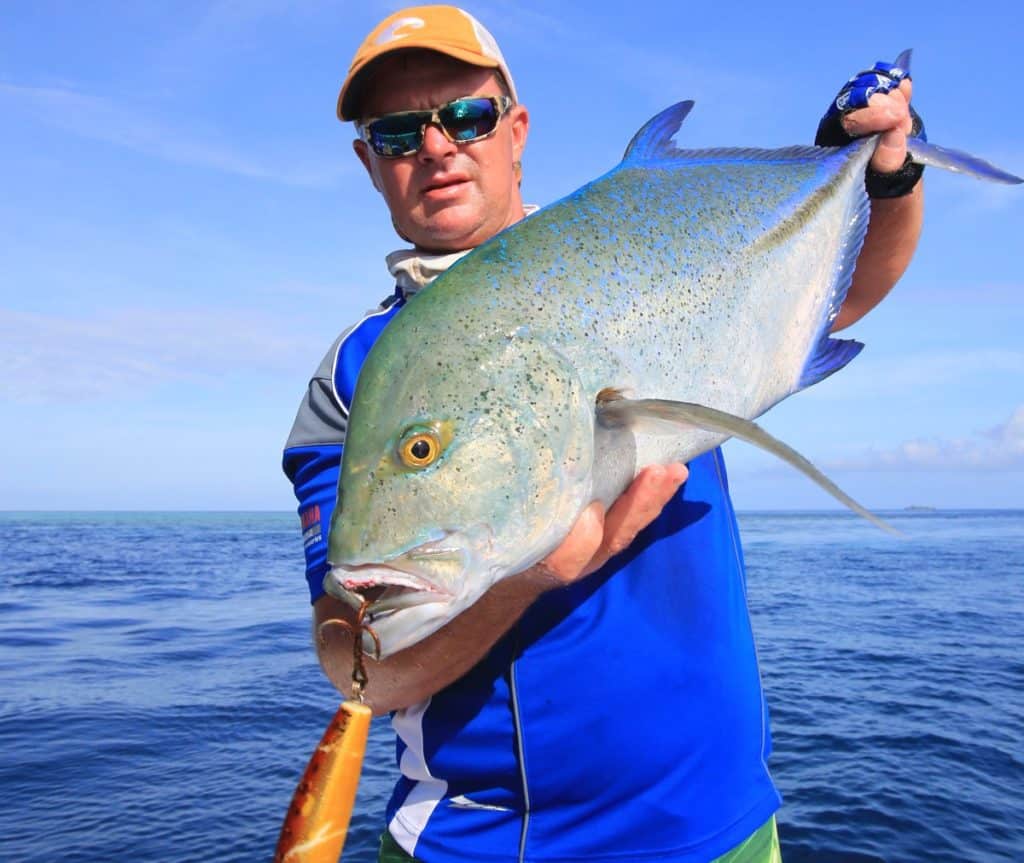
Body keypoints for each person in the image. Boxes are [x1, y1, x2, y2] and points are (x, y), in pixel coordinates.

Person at [282, 6, 923, 862]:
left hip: (723, 826)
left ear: (516, 131)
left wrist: (883, 174)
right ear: (370, 162)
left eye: (465, 117)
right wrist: (539, 575)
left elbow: (831, 304)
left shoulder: (638, 260)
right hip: (486, 842)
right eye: (398, 132)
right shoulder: (351, 378)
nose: (436, 147)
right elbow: (358, 665)